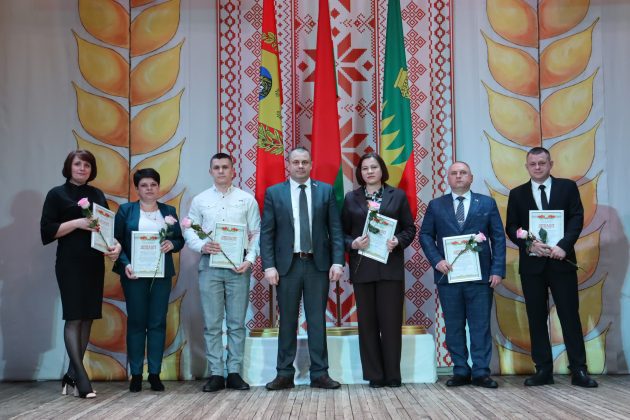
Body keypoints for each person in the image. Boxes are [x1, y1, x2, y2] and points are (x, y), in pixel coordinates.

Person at [506, 147, 597, 387]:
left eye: (542, 163)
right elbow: (511, 226)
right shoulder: (517, 194)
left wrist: (564, 245)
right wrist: (529, 244)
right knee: (536, 318)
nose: (537, 167)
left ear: (551, 164)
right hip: (532, 265)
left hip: (561, 262)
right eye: (533, 164)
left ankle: (579, 370)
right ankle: (543, 370)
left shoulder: (567, 187)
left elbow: (576, 217)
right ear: (526, 167)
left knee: (569, 316)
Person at [260, 147, 345, 390]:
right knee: (287, 320)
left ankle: (320, 373)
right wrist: (269, 266)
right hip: (287, 266)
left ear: (311, 164)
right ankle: (284, 374)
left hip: (318, 265)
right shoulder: (274, 193)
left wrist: (337, 261)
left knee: (317, 320)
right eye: (296, 162)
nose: (300, 166)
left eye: (304, 162)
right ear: (288, 165)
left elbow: (335, 229)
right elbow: (267, 233)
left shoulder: (325, 191)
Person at [40, 149, 121, 398]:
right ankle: (82, 378)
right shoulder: (56, 194)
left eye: (87, 165)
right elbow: (47, 231)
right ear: (69, 166)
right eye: (78, 164)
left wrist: (115, 245)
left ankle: (71, 375)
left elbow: (106, 229)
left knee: (87, 318)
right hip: (70, 263)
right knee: (74, 317)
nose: (82, 169)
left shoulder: (97, 194)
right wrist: (77, 223)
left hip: (94, 263)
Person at [419, 161, 505, 389]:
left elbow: (498, 237)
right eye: (454, 173)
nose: (458, 176)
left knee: (480, 326)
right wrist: (437, 260)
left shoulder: (486, 203)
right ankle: (460, 370)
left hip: (480, 278)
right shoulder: (436, 205)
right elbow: (425, 235)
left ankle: (481, 372)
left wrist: (497, 270)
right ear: (448, 178)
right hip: (449, 277)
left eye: (463, 173)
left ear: (471, 177)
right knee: (454, 326)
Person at [184, 153, 261, 392]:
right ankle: (216, 373)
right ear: (210, 171)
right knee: (212, 323)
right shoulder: (200, 200)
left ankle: (235, 372)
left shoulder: (246, 200)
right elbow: (189, 230)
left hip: (238, 267)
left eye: (225, 167)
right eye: (216, 167)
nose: (221, 171)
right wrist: (202, 246)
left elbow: (256, 232)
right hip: (210, 266)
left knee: (237, 323)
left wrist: (249, 259)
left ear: (233, 170)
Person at [341, 152, 416, 388]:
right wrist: (353, 243)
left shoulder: (397, 195)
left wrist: (398, 241)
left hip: (390, 268)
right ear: (360, 173)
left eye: (374, 167)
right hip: (362, 269)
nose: (370, 171)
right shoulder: (351, 198)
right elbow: (341, 234)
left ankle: (393, 375)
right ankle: (375, 375)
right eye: (365, 168)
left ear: (382, 170)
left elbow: (410, 229)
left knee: (391, 324)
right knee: (368, 325)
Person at [113, 168, 184, 392]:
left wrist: (172, 244)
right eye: (144, 185)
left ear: (159, 187)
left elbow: (179, 240)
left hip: (161, 274)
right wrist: (126, 264)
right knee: (136, 323)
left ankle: (154, 374)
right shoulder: (126, 210)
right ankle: (136, 374)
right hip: (134, 275)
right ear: (137, 188)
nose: (149, 189)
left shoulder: (169, 211)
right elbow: (116, 241)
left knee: (157, 323)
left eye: (153, 184)